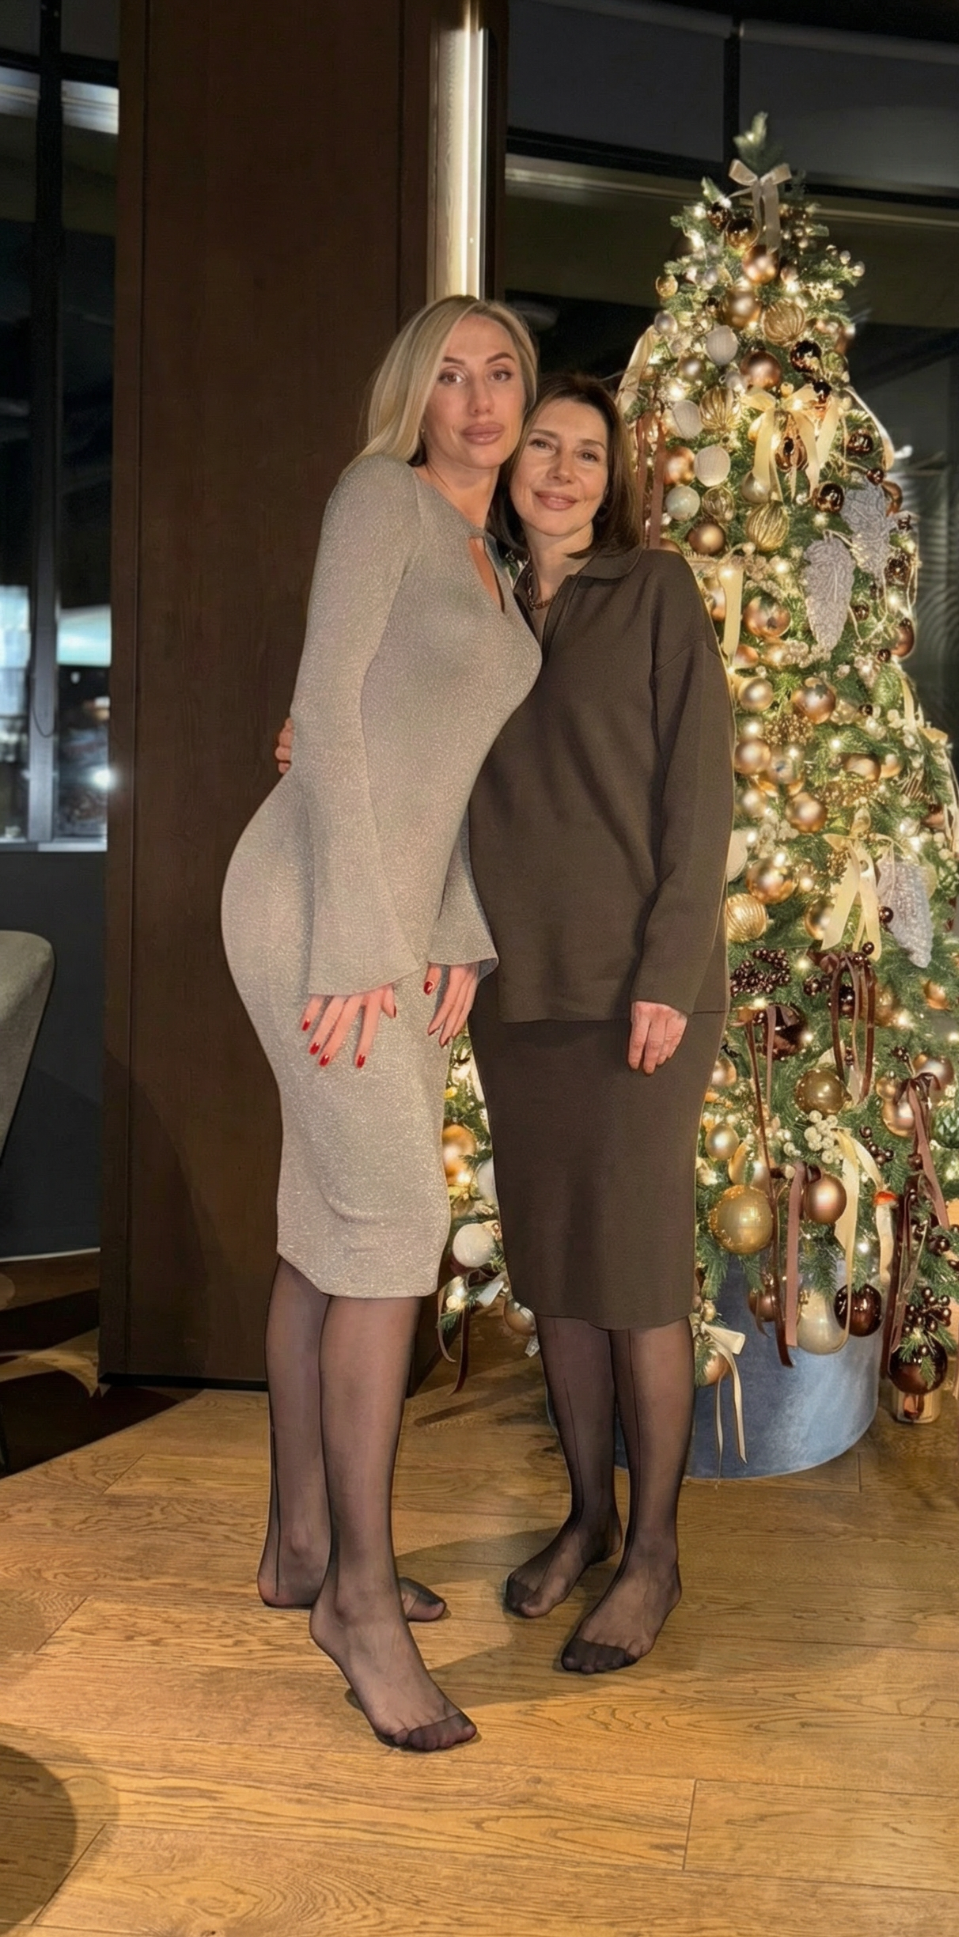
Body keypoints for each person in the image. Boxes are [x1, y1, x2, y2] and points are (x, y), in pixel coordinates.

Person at [222, 296, 540, 1751]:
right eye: (451, 373)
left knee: (326, 1231)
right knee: (392, 1233)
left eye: (503, 373)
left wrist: (452, 927)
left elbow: (443, 775)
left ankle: (301, 1543)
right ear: (415, 393)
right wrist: (359, 941)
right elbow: (329, 719)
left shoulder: (494, 562)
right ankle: (355, 1601)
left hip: (394, 930)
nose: (479, 399)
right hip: (313, 911)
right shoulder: (381, 500)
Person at [468, 376, 733, 1672]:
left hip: (641, 995)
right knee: (556, 1278)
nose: (563, 470)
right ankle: (588, 1516)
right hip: (516, 992)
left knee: (632, 1281)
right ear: (510, 463)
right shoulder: (472, 603)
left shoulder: (655, 592)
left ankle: (656, 1555)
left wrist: (669, 976)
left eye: (587, 452)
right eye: (544, 446)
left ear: (612, 476)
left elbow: (700, 795)